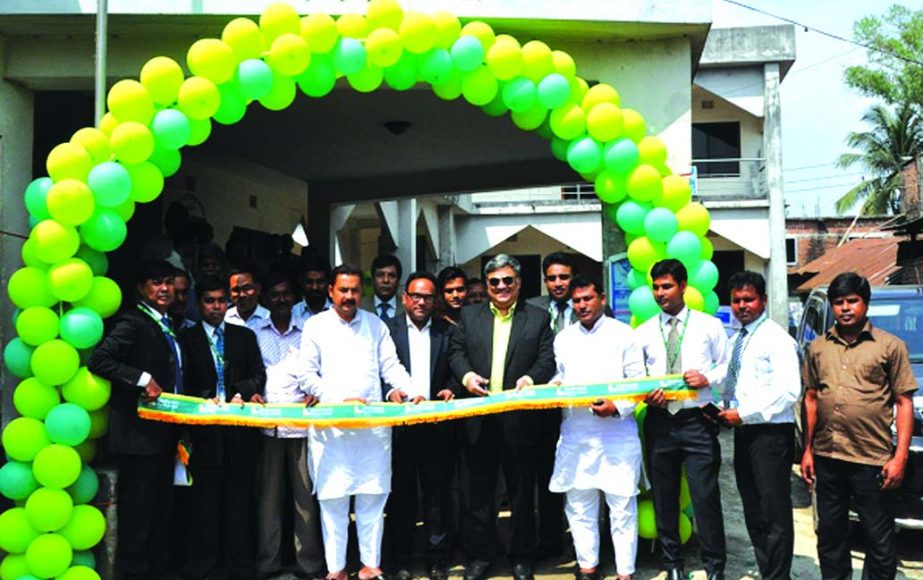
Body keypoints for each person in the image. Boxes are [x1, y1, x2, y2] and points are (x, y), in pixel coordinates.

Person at [292, 264, 415, 580]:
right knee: (332, 502)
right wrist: (337, 401)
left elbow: (392, 367)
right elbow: (306, 375)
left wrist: (407, 391)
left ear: (363, 292)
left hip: (371, 432)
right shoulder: (315, 326)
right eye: (343, 290)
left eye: (355, 290)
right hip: (331, 431)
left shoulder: (375, 326)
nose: (349, 296)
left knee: (372, 499)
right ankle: (336, 570)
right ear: (330, 291)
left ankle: (370, 566)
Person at [801, 272, 918, 579]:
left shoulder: (890, 347)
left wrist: (900, 457)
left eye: (852, 301)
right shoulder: (818, 348)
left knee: (879, 541)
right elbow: (811, 398)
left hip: (872, 460)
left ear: (865, 304)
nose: (845, 308)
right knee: (830, 537)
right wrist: (808, 451)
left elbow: (904, 403)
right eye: (838, 302)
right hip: (828, 458)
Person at [448, 254, 555, 580]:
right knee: (478, 495)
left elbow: (547, 358)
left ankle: (521, 557)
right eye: (494, 282)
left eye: (508, 280)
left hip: (519, 422)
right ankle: (481, 556)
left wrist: (532, 379)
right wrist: (466, 377)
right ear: (487, 285)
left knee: (522, 494)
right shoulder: (469, 315)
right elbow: (456, 351)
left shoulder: (536, 318)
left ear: (519, 283)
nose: (501, 287)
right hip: (479, 421)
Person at [88, 260, 183, 580]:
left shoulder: (168, 323)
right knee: (137, 520)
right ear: (141, 288)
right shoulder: (133, 321)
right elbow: (100, 360)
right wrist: (142, 378)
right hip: (137, 437)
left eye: (169, 282)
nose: (164, 289)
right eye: (156, 283)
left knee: (161, 515)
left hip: (164, 436)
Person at [635, 259, 729, 580]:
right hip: (660, 422)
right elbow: (636, 377)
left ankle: (714, 567)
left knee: (705, 498)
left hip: (697, 421)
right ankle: (673, 565)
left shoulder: (709, 325)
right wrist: (647, 394)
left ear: (683, 287)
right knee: (664, 498)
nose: (660, 293)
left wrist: (707, 378)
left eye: (667, 286)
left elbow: (727, 368)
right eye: (656, 287)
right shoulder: (644, 332)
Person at [549, 274, 645, 580]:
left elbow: (637, 382)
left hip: (616, 435)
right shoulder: (564, 338)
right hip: (576, 433)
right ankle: (587, 568)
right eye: (576, 301)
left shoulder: (624, 334)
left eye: (587, 298)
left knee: (621, 509)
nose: (581, 305)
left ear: (601, 298)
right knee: (578, 507)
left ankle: (624, 572)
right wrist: (548, 389)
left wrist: (618, 407)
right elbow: (560, 377)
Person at [179, 276, 267, 580]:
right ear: (199, 303)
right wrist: (205, 398)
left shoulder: (243, 336)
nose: (216, 307)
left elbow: (258, 374)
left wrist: (240, 392)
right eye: (209, 301)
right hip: (204, 434)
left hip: (239, 433)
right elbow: (183, 383)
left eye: (220, 301)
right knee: (204, 504)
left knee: (238, 503)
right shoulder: (186, 340)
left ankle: (239, 566)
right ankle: (205, 565)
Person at [716, 271, 800, 580]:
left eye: (748, 299)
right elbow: (722, 373)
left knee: (773, 510)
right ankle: (769, 571)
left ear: (763, 300)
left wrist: (745, 413)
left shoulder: (776, 338)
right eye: (736, 300)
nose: (741, 306)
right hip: (744, 432)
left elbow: (789, 390)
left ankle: (778, 576)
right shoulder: (738, 339)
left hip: (770, 434)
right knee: (753, 507)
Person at [383, 272, 456, 580]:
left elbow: (457, 366)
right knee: (401, 496)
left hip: (436, 426)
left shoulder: (448, 331)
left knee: (437, 496)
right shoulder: (387, 330)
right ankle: (400, 559)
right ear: (405, 298)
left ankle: (437, 559)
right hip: (400, 427)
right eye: (416, 296)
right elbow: (377, 371)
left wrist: (452, 387)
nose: (422, 302)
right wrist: (390, 393)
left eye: (428, 297)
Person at [254, 272, 325, 580]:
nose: (281, 300)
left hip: (302, 426)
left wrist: (316, 390)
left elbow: (322, 369)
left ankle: (308, 564)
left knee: (305, 500)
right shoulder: (253, 332)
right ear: (266, 300)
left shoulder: (309, 333)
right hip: (266, 427)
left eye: (286, 294)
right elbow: (249, 373)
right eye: (275, 295)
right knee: (267, 501)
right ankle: (268, 564)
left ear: (294, 298)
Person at [361, 254, 404, 320]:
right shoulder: (360, 307)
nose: (386, 280)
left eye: (391, 276)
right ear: (372, 279)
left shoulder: (408, 308)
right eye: (380, 275)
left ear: (398, 280)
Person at [293, 254, 332, 321]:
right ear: (302, 282)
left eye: (320, 282)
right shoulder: (293, 313)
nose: (315, 287)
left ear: (328, 283)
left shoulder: (337, 314)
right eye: (309, 282)